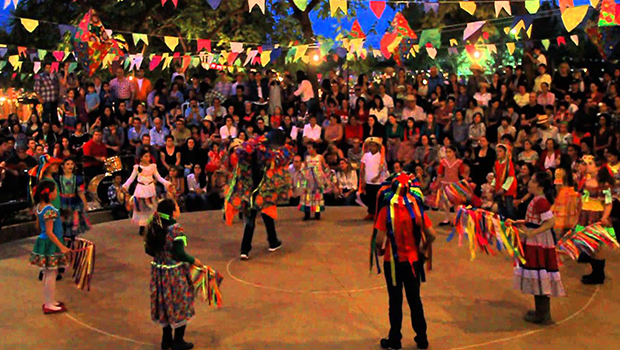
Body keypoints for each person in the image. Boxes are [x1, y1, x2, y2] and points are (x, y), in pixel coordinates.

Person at [371, 172, 436, 350]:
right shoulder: (416, 207)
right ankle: (421, 338)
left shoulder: (386, 209)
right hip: (413, 261)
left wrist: (380, 250)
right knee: (415, 299)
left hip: (393, 261)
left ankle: (395, 339)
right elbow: (431, 235)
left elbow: (378, 239)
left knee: (395, 300)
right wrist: (422, 249)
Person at [224, 131, 292, 260]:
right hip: (260, 190)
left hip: (250, 189)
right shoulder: (267, 153)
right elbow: (282, 159)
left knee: (253, 219)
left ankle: (247, 249)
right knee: (261, 214)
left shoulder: (250, 150)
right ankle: (269, 242)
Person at [145, 199, 201, 350]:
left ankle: (166, 340)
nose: (179, 207)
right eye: (177, 206)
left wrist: (161, 255)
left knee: (164, 303)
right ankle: (178, 341)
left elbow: (148, 250)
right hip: (174, 272)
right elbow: (179, 253)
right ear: (173, 212)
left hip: (159, 271)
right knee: (180, 303)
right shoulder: (176, 229)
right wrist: (194, 261)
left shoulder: (153, 224)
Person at [511, 172, 565, 324]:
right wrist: (522, 223)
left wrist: (532, 232)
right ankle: (541, 312)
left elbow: (550, 222)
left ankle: (543, 314)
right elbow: (536, 219)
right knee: (538, 273)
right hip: (536, 240)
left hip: (538, 242)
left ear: (540, 186)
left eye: (533, 181)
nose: (529, 183)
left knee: (539, 272)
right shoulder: (537, 200)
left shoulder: (540, 201)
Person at [29, 181, 71, 314]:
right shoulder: (49, 210)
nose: (56, 193)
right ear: (49, 193)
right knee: (51, 274)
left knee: (49, 273)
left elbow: (42, 227)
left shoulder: (40, 207)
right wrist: (62, 247)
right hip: (51, 243)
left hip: (47, 242)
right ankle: (49, 303)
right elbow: (49, 231)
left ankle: (50, 301)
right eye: (54, 191)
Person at [577, 156, 614, 285]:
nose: (587, 166)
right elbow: (584, 198)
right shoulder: (587, 181)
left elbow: (609, 203)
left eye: (590, 164)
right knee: (589, 244)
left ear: (598, 167)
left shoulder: (604, 184)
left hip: (597, 215)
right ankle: (594, 272)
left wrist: (604, 217)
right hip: (586, 214)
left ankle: (599, 275)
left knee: (597, 246)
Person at [123, 149, 172, 236]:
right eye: (146, 156)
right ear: (141, 158)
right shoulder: (137, 168)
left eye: (149, 156)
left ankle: (151, 226)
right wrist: (125, 186)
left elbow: (159, 177)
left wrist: (166, 183)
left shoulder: (153, 167)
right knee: (141, 208)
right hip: (141, 189)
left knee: (151, 208)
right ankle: (142, 227)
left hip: (150, 188)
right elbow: (131, 178)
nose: (148, 158)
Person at [57, 158, 90, 248]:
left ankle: (71, 245)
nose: (70, 166)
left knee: (73, 224)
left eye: (72, 164)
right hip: (62, 203)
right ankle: (63, 245)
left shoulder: (77, 179)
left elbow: (80, 192)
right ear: (63, 166)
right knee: (63, 224)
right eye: (67, 164)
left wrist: (85, 204)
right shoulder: (58, 179)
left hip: (74, 203)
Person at [299, 142, 330, 220]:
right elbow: (305, 168)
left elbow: (324, 166)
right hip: (309, 180)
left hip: (318, 180)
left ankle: (317, 213)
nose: (308, 150)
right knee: (308, 197)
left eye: (310, 148)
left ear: (315, 149)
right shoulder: (307, 158)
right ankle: (307, 214)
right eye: (307, 148)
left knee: (317, 196)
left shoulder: (320, 157)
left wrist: (325, 177)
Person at [360, 137, 388, 220]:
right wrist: (363, 180)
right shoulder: (366, 156)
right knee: (370, 197)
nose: (371, 148)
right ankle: (371, 212)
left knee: (377, 198)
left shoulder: (380, 157)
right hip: (368, 181)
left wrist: (377, 177)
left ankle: (378, 214)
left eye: (373, 146)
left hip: (377, 182)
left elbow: (382, 169)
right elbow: (363, 168)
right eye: (370, 146)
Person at [494, 144, 517, 219]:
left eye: (500, 151)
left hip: (508, 190)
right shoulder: (497, 163)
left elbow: (511, 177)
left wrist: (503, 189)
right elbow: (496, 176)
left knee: (509, 209)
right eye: (497, 151)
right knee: (501, 209)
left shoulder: (509, 163)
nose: (498, 153)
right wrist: (492, 185)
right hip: (498, 188)